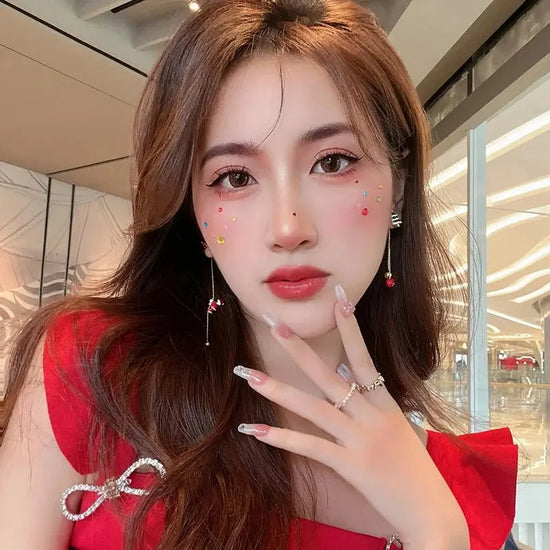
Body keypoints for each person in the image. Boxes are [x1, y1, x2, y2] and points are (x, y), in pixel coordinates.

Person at [0, 1, 518, 549]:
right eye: (235, 177)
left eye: (333, 162)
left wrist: (436, 533)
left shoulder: (456, 496)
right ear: (193, 213)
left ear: (399, 185)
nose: (288, 227)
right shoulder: (93, 374)